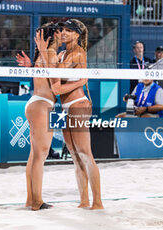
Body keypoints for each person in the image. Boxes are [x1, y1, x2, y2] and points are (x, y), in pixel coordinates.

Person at [17, 23, 87, 211]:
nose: (63, 34)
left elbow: (46, 77)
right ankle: (37, 201)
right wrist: (82, 80)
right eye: (59, 32)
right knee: (40, 156)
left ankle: (31, 199)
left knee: (34, 156)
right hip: (41, 104)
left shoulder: (45, 54)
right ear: (53, 36)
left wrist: (31, 65)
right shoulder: (49, 54)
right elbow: (55, 83)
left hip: (35, 103)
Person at [36, 19, 104, 210]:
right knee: (75, 155)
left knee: (85, 154)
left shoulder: (77, 53)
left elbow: (56, 82)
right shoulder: (63, 52)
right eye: (62, 29)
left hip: (77, 104)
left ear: (77, 34)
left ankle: (97, 202)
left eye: (68, 30)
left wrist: (45, 53)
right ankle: (84, 201)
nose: (63, 32)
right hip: (66, 107)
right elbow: (52, 75)